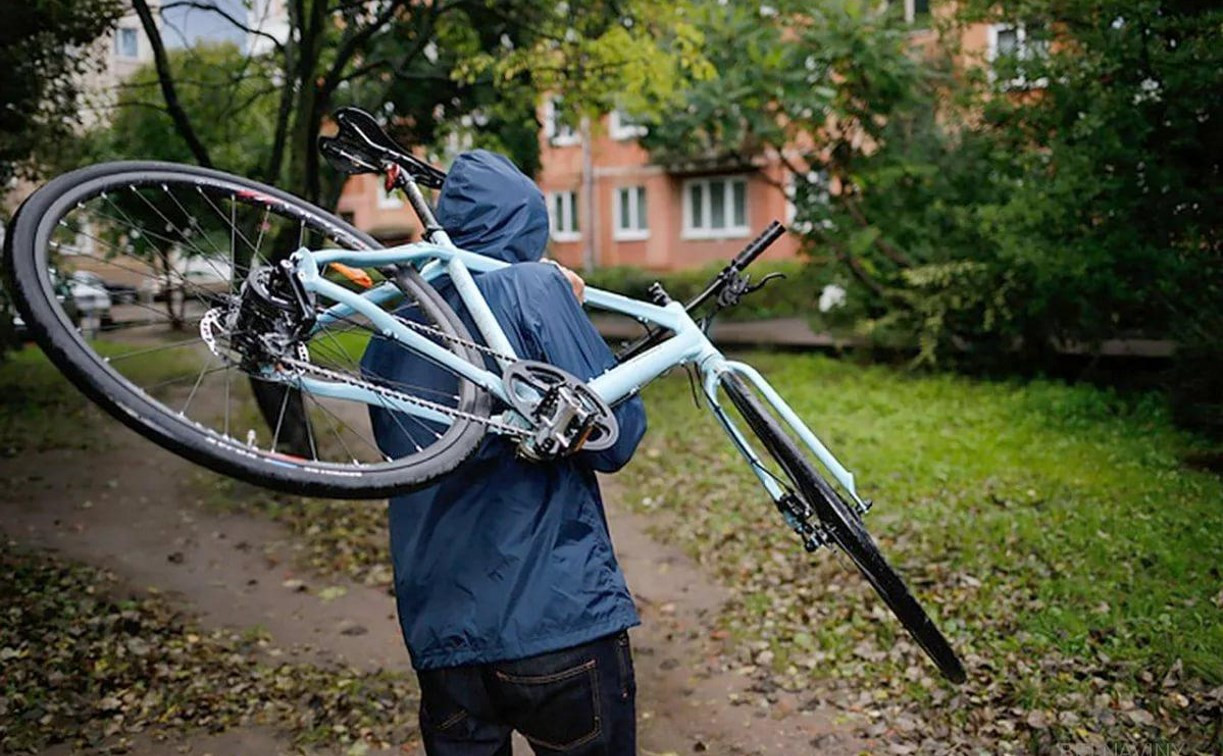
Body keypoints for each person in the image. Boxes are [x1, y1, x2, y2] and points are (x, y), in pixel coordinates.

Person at [360, 149, 647, 755]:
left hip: (443, 641)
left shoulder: (395, 330)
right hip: (557, 619)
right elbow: (617, 434)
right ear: (528, 223)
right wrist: (563, 306)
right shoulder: (531, 287)